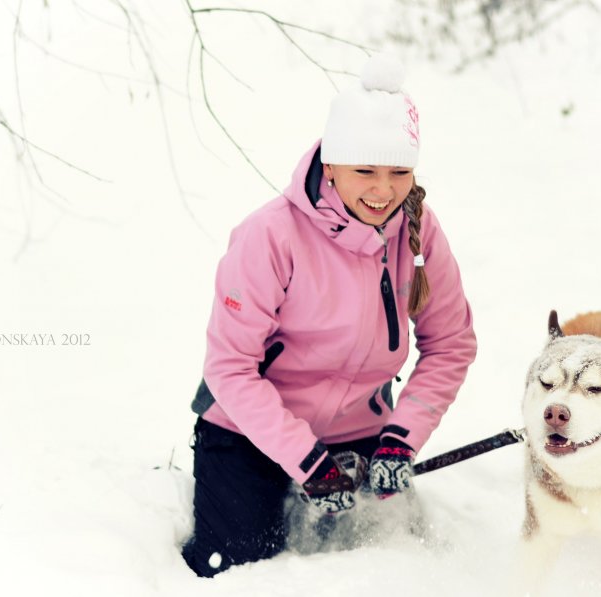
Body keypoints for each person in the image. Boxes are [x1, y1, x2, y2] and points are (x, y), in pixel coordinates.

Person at [181, 54, 477, 578]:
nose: (383, 189)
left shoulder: (418, 230)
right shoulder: (270, 236)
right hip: (250, 433)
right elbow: (229, 368)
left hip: (360, 434)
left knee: (379, 568)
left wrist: (401, 437)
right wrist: (304, 458)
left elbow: (450, 342)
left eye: (398, 171)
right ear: (332, 164)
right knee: (241, 571)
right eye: (364, 170)